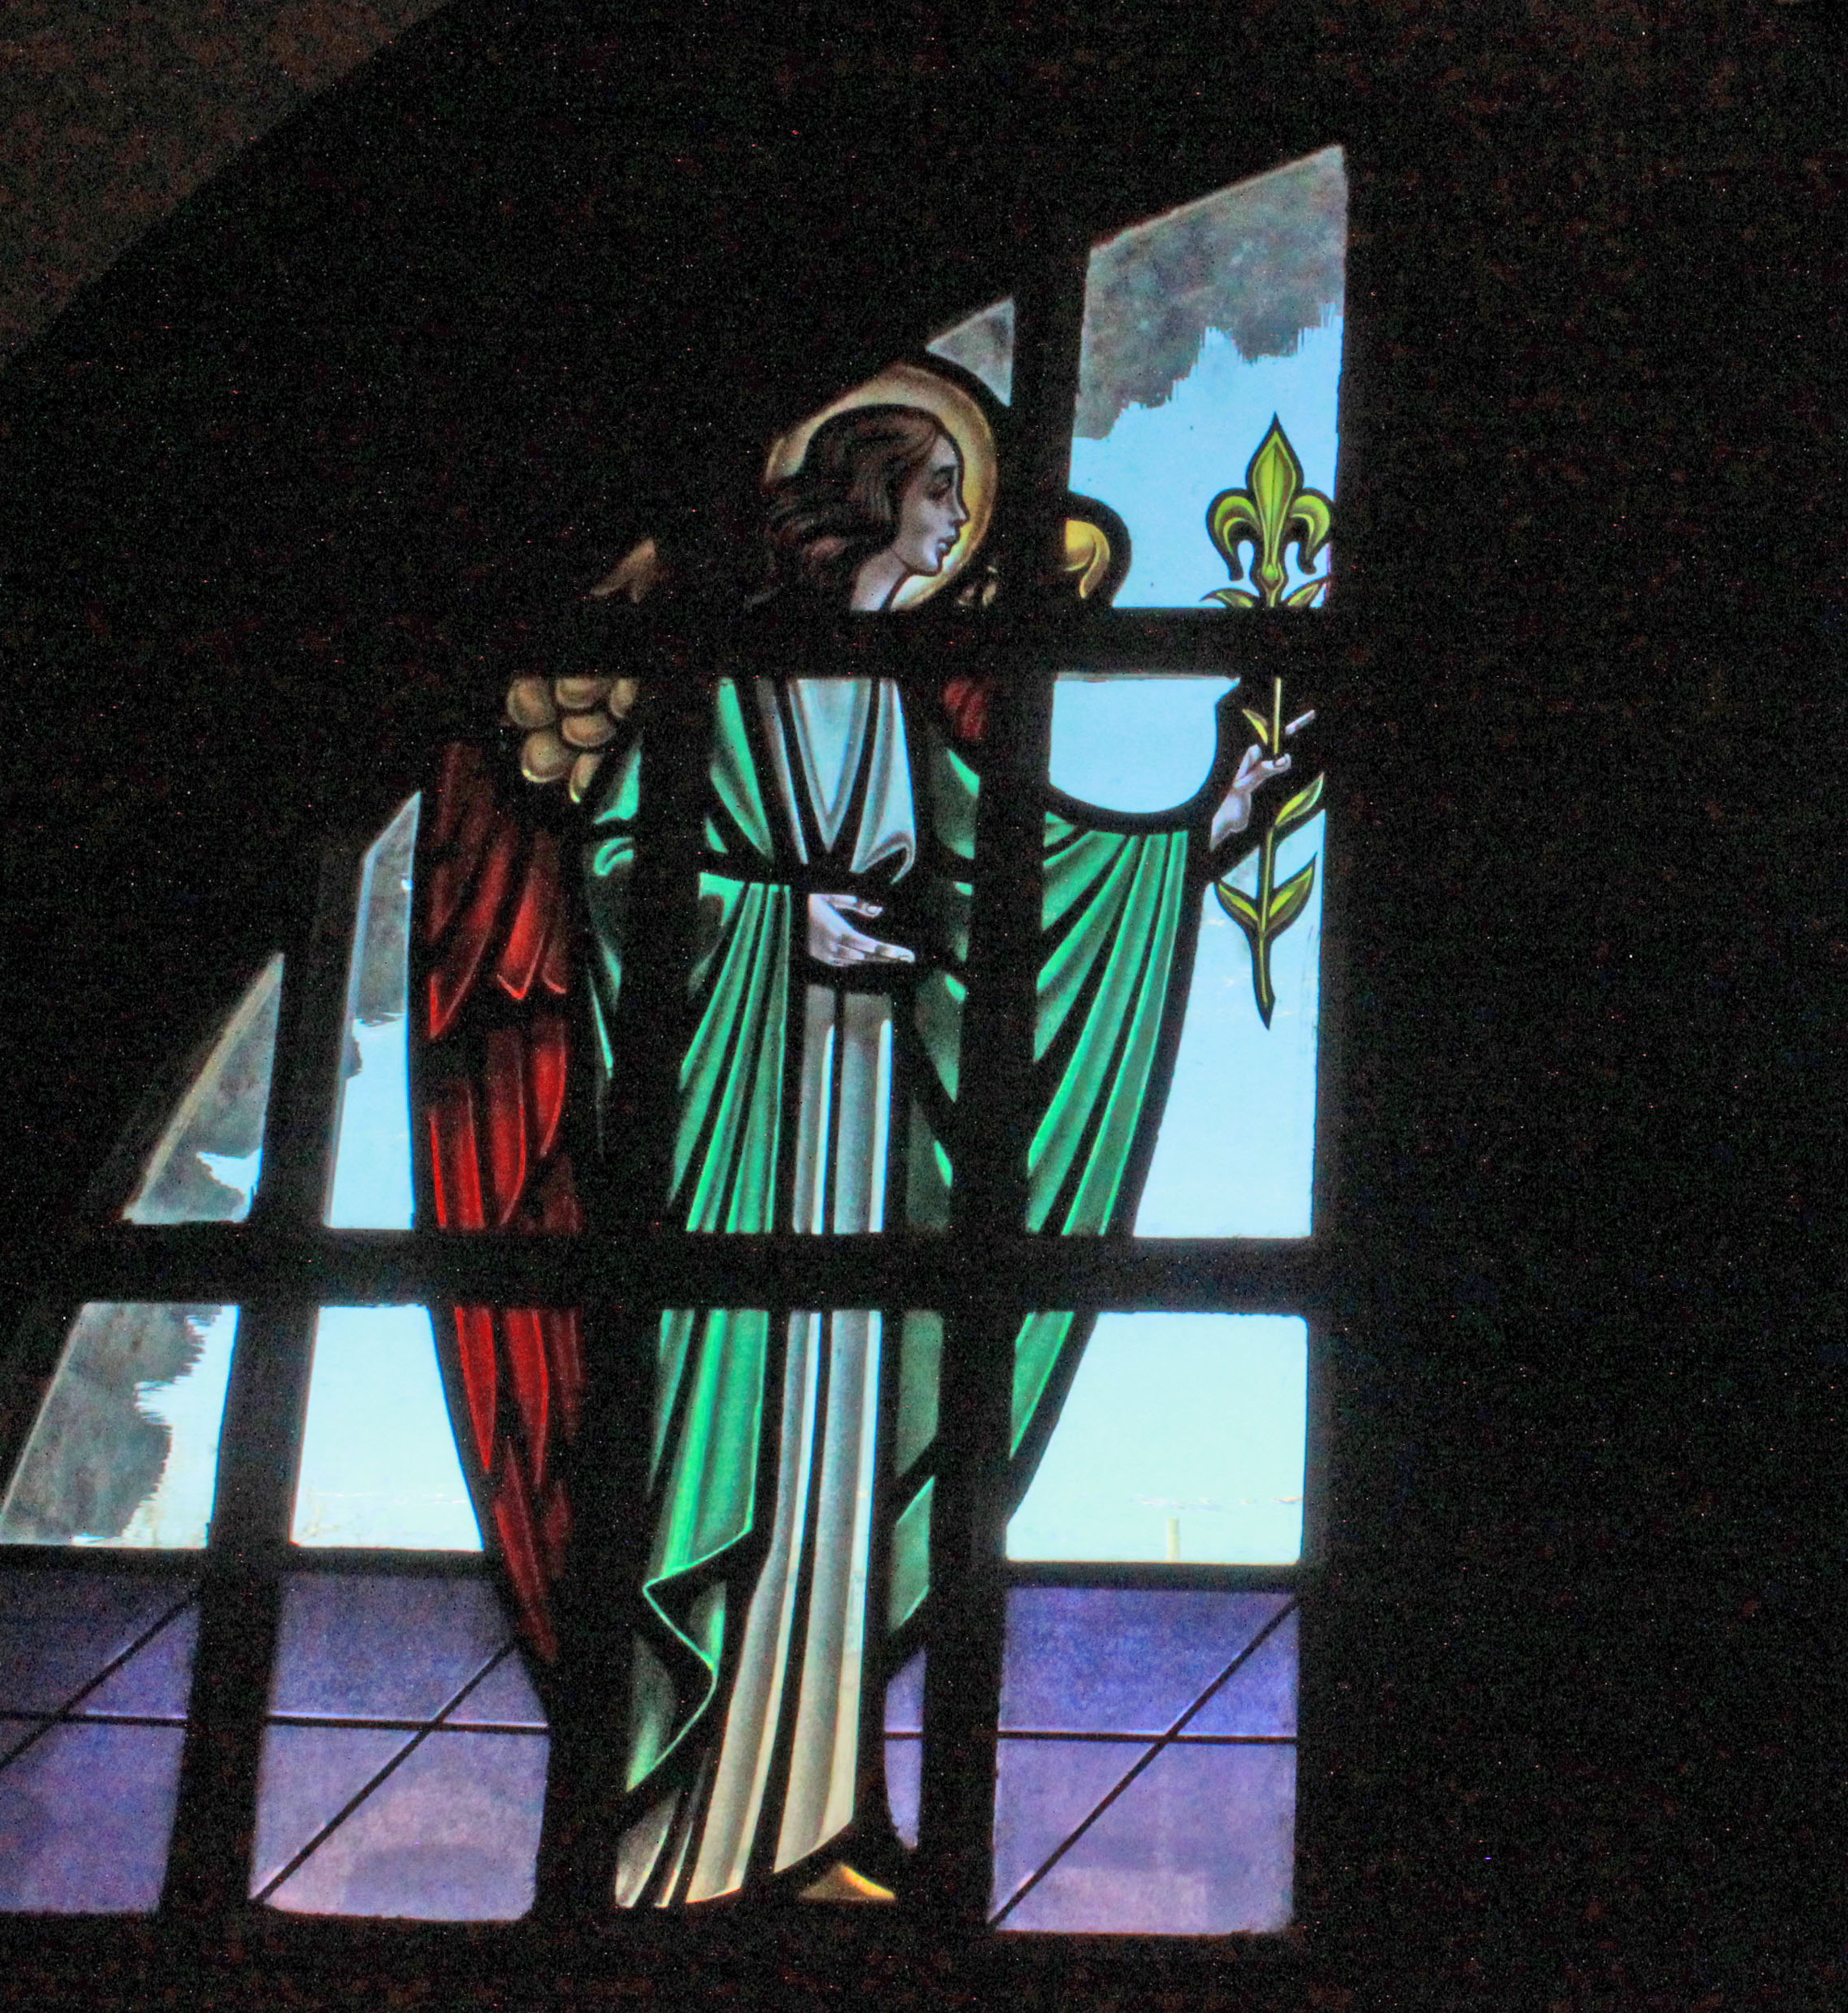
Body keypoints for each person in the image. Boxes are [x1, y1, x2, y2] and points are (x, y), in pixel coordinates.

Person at [415, 375, 1306, 1907]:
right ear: (868, 497)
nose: (960, 520)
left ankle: (815, 1821)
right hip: (745, 1128)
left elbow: (1008, 880)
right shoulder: (724, 686)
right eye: (939, 489)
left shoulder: (896, 702)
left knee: (842, 1448)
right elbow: (620, 866)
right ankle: (679, 1830)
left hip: (865, 1116)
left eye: (959, 493)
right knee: (739, 1438)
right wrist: (786, 920)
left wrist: (1202, 834)